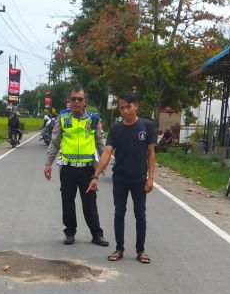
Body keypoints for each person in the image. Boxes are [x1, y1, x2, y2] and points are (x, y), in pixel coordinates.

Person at [88, 91, 156, 264]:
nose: (125, 111)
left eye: (129, 107)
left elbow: (151, 153)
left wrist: (150, 178)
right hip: (120, 179)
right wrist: (95, 175)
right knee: (119, 213)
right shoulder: (116, 128)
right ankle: (119, 248)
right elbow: (107, 152)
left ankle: (141, 250)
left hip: (139, 179)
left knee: (140, 214)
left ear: (136, 106)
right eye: (122, 108)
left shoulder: (146, 126)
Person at [43, 86, 108, 246]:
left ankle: (97, 234)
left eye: (80, 99)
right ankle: (70, 232)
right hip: (68, 168)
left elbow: (100, 142)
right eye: (74, 99)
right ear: (69, 101)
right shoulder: (62, 118)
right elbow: (55, 142)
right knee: (67, 202)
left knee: (90, 203)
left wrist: (103, 163)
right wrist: (48, 163)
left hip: (87, 169)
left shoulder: (94, 119)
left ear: (85, 102)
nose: (77, 102)